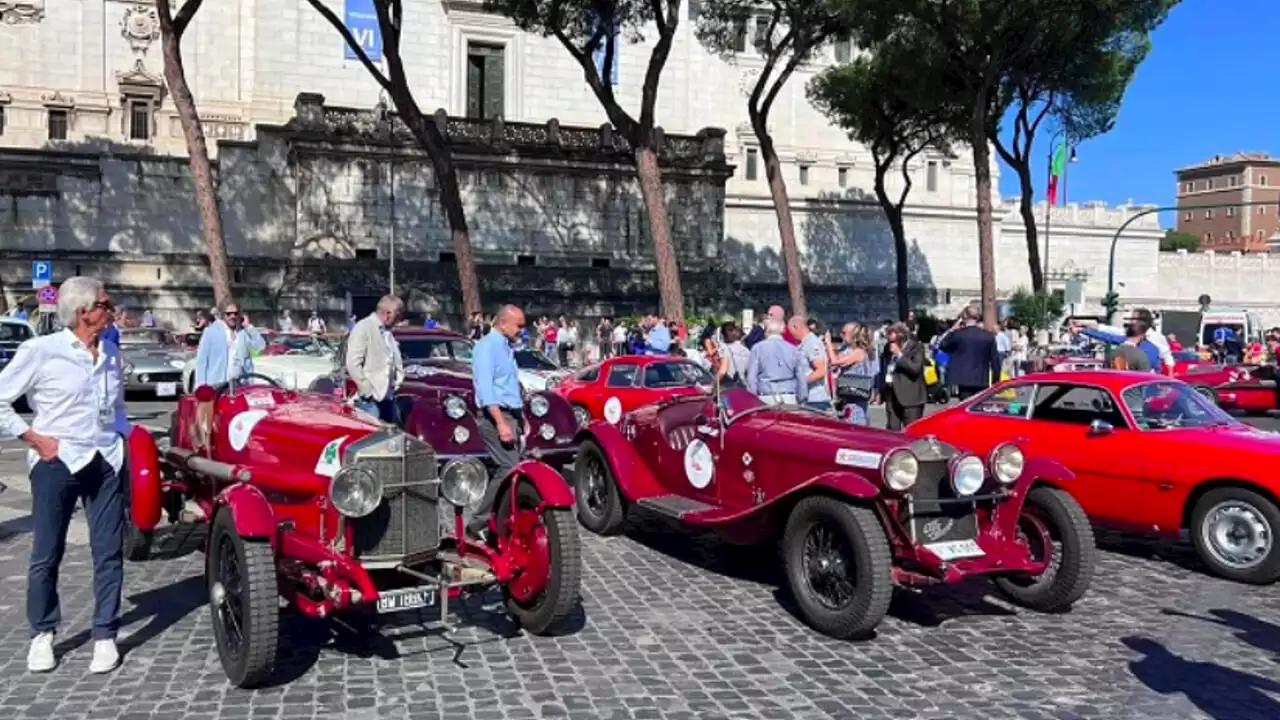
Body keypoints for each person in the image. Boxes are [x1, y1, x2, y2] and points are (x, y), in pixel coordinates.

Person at [0, 277, 128, 674]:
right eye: (105, 304)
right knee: (46, 552)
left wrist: (123, 439)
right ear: (83, 311)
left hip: (106, 460)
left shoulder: (110, 352)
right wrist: (34, 438)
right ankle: (42, 633)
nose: (112, 309)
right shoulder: (41, 351)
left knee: (108, 551)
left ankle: (105, 633)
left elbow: (116, 409)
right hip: (56, 463)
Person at [469, 304, 527, 541]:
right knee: (508, 468)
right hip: (496, 417)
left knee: (514, 468)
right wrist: (501, 423)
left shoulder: (505, 347)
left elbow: (510, 385)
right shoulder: (487, 347)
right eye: (519, 325)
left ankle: (501, 518)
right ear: (503, 323)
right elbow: (485, 389)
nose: (522, 331)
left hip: (511, 414)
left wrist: (521, 417)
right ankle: (476, 524)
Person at [346, 295, 405, 423]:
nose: (399, 319)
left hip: (388, 399)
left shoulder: (388, 332)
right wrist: (367, 391)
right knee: (373, 440)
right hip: (370, 401)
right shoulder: (364, 327)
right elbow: (352, 363)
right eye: (398, 315)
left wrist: (398, 379)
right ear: (388, 313)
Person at [194, 299, 265, 387]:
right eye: (228, 314)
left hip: (240, 386)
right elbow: (201, 361)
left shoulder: (243, 334)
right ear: (222, 315)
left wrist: (249, 326)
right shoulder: (210, 332)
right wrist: (200, 386)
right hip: (216, 386)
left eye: (235, 313)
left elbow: (260, 346)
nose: (232, 316)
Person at [936, 306, 1001, 400]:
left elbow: (943, 345)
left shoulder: (959, 335)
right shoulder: (988, 336)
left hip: (964, 379)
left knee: (966, 408)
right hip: (981, 379)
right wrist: (996, 381)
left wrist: (952, 330)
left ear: (965, 316)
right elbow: (995, 361)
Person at [746, 319, 806, 405]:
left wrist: (753, 399)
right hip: (789, 396)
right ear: (782, 332)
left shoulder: (757, 348)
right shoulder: (793, 349)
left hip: (765, 396)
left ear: (767, 331)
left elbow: (751, 378)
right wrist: (802, 397)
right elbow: (801, 376)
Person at [828, 322, 877, 425]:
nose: (841, 335)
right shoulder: (850, 350)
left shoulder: (859, 352)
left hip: (855, 393)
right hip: (849, 394)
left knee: (854, 420)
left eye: (844, 333)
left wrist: (828, 344)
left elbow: (835, 361)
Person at [883, 322, 927, 429]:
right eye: (888, 335)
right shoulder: (887, 348)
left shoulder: (916, 347)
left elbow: (915, 369)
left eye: (891, 335)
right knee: (892, 430)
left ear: (901, 335)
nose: (889, 339)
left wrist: (899, 355)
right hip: (891, 394)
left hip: (910, 397)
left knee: (911, 430)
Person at [790, 316, 833, 413]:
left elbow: (821, 370)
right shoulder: (803, 344)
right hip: (807, 399)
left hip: (815, 400)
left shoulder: (812, 343)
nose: (791, 334)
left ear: (795, 327)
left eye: (790, 331)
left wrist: (801, 382)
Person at [715, 322, 750, 388]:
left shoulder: (723, 348)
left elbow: (723, 370)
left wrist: (713, 384)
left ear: (723, 335)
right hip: (742, 386)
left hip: (727, 386)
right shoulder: (746, 350)